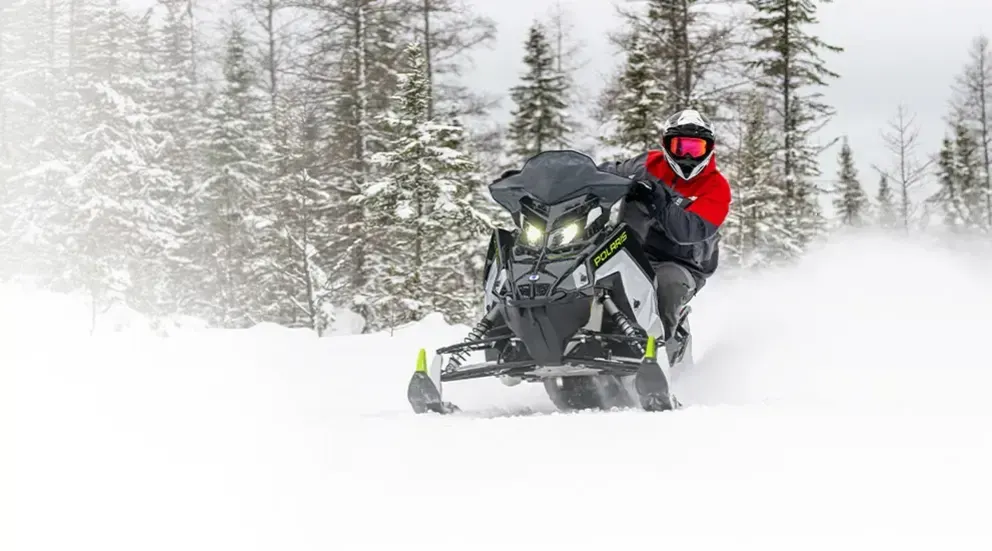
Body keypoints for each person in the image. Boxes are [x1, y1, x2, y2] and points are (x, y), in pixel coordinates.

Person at [597, 108, 732, 361]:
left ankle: (660, 357)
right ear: (668, 145)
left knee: (666, 286)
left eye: (696, 148)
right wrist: (570, 179)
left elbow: (688, 231)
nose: (688, 156)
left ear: (708, 149)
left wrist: (660, 201)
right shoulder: (649, 164)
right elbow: (605, 174)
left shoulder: (716, 188)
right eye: (681, 147)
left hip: (683, 263)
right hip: (630, 251)